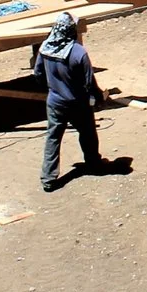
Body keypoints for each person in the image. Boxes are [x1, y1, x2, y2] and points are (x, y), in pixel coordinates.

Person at [28, 11, 102, 192]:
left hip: (55, 103)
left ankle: (48, 178)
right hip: (78, 103)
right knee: (88, 133)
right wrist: (98, 97)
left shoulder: (45, 47)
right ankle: (93, 163)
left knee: (53, 138)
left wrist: (52, 88)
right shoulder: (78, 52)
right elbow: (88, 82)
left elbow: (38, 75)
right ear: (71, 31)